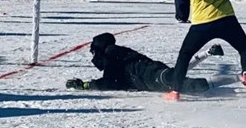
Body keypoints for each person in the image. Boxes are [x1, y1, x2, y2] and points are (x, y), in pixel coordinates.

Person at [65, 32, 231, 92]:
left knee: (187, 85)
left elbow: (110, 82)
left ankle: (239, 78)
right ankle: (208, 53)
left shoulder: (110, 53)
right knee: (176, 76)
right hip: (151, 73)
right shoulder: (116, 52)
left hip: (150, 76)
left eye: (94, 52)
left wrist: (86, 85)